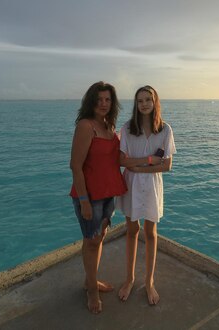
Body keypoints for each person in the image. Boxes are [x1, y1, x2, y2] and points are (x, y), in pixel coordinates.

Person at [69, 81, 127, 314]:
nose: (103, 103)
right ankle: (91, 290)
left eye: (108, 99)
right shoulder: (86, 126)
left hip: (108, 194)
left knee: (99, 239)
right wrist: (83, 200)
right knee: (90, 241)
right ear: (91, 101)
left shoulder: (109, 125)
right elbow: (75, 166)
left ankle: (89, 280)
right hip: (89, 196)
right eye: (99, 99)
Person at [116, 85, 176, 305]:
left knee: (151, 232)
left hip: (151, 184)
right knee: (132, 230)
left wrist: (140, 168)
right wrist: (151, 160)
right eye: (140, 100)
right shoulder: (127, 128)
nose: (144, 104)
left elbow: (167, 165)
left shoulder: (165, 129)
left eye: (148, 100)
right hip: (131, 184)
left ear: (155, 102)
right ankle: (130, 279)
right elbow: (122, 161)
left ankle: (149, 282)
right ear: (136, 104)